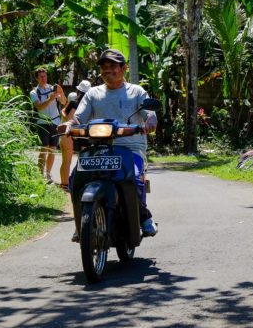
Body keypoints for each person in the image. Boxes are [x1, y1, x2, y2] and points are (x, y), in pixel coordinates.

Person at [65, 50, 158, 240]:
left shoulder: (136, 91)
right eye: (104, 68)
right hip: (99, 148)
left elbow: (149, 112)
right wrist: (69, 124)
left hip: (130, 149)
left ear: (124, 68)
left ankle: (144, 218)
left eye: (113, 66)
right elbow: (78, 118)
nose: (108, 71)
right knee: (75, 178)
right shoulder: (93, 93)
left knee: (132, 177)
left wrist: (151, 118)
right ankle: (80, 223)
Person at [30, 68, 66, 183]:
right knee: (44, 148)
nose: (43, 78)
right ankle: (40, 174)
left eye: (45, 76)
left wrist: (61, 92)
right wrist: (50, 99)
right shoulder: (34, 92)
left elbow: (64, 102)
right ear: (37, 78)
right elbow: (39, 107)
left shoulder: (52, 89)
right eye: (41, 76)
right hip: (42, 122)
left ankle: (48, 174)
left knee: (53, 149)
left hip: (55, 122)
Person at [58, 80, 91, 191]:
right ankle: (82, 184)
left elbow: (65, 115)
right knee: (84, 161)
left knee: (66, 160)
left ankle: (64, 184)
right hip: (83, 135)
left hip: (68, 133)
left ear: (78, 91)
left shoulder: (73, 103)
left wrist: (64, 109)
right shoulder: (90, 104)